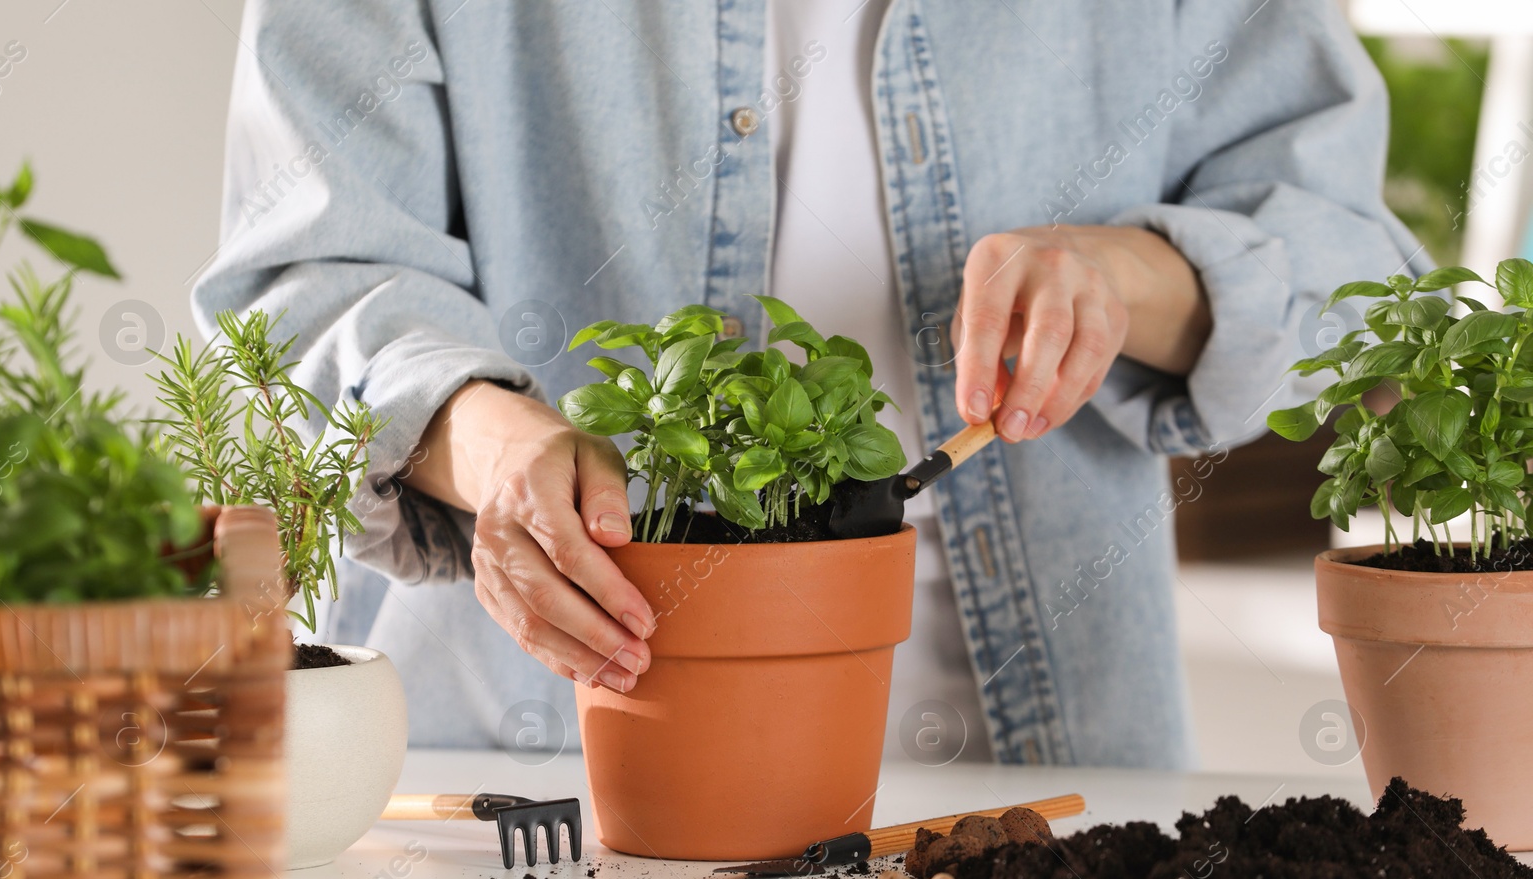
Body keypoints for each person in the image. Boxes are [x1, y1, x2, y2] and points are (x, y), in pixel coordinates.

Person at [196, 0, 1418, 767]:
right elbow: (305, 277)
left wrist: (1132, 278)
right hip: (532, 772)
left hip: (1040, 787)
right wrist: (497, 448)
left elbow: (1357, 269)